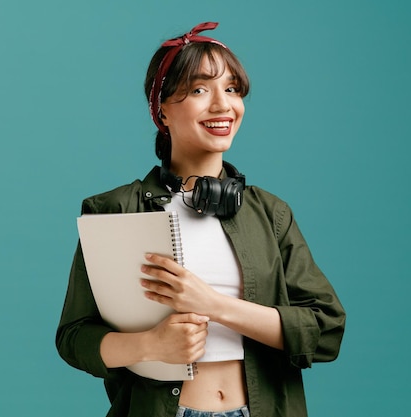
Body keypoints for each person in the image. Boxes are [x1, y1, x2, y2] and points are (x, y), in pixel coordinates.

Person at [56, 22, 346, 417]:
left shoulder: (270, 213)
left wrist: (213, 304)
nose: (223, 105)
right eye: (198, 90)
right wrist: (150, 345)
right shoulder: (114, 211)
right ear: (162, 108)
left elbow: (326, 330)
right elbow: (75, 338)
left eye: (231, 89)